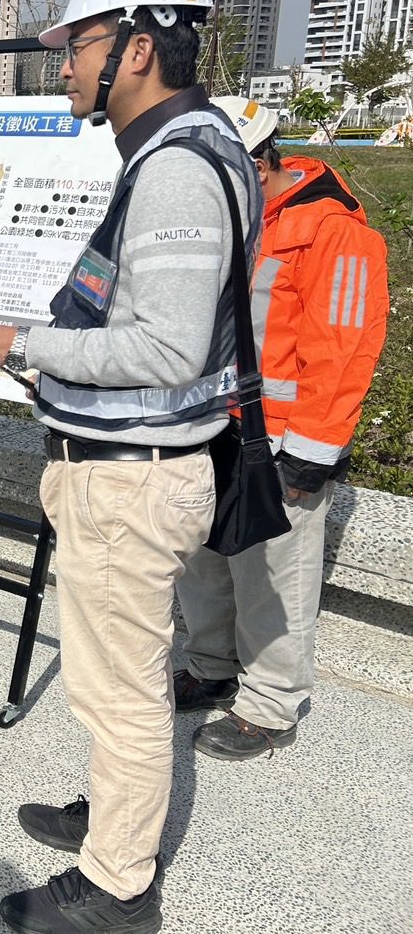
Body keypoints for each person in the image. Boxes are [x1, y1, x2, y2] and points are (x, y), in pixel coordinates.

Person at [0, 0, 260, 933]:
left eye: (78, 44)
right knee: (116, 678)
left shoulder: (175, 168)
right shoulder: (184, 149)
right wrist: (37, 356)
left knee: (121, 692)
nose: (66, 64)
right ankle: (116, 818)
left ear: (139, 45)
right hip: (128, 470)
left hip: (131, 480)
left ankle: (116, 884)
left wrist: (19, 341)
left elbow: (163, 347)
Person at [175, 97, 388, 760]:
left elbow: (345, 349)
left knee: (272, 572)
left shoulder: (332, 231)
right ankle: (209, 664)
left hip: (281, 441)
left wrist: (310, 455)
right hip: (209, 421)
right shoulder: (227, 218)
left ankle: (269, 704)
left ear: (257, 163)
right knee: (200, 555)